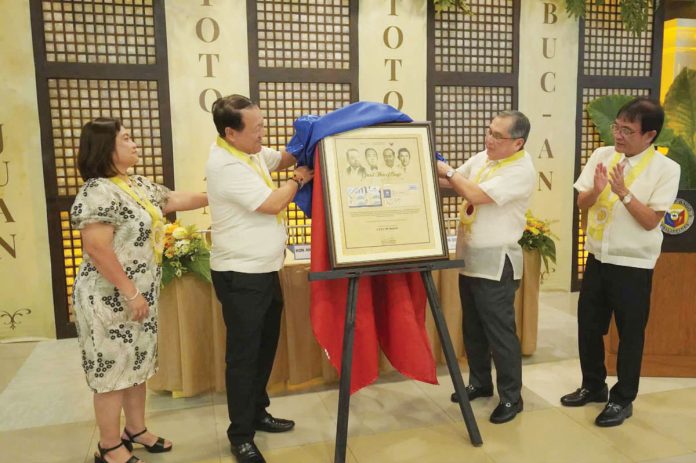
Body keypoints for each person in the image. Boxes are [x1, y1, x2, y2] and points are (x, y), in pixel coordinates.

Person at [70, 118, 208, 463]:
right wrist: (131, 292)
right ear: (106, 149)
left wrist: (219, 194)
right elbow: (97, 248)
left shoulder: (136, 184)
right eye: (127, 138)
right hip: (109, 296)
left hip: (139, 295)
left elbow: (173, 198)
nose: (135, 143)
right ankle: (109, 444)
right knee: (111, 371)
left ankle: (136, 429)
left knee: (137, 365)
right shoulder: (97, 191)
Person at [206, 94, 314, 463]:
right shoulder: (224, 165)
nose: (262, 134)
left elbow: (281, 158)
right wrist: (298, 180)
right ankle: (241, 435)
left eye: (262, 125)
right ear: (230, 132)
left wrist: (309, 138)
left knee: (265, 347)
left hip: (266, 270)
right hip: (241, 275)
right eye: (256, 129)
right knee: (243, 356)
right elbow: (271, 203)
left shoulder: (249, 153)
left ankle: (257, 412)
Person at [560, 97, 680, 427]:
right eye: (617, 126)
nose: (619, 135)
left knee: (630, 334)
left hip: (633, 265)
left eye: (628, 130)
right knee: (588, 325)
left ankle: (623, 398)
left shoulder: (666, 170)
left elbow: (651, 221)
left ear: (649, 135)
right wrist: (597, 190)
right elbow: (582, 201)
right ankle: (593, 386)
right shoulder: (602, 155)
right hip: (598, 256)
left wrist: (624, 193)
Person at [437, 110, 535, 424]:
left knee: (500, 332)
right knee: (474, 328)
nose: (489, 139)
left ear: (517, 143)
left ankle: (511, 397)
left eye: (497, 136)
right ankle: (480, 382)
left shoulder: (521, 169)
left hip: (497, 262)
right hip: (471, 257)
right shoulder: (485, 158)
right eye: (489, 131)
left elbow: (474, 194)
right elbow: (453, 181)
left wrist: (447, 170)